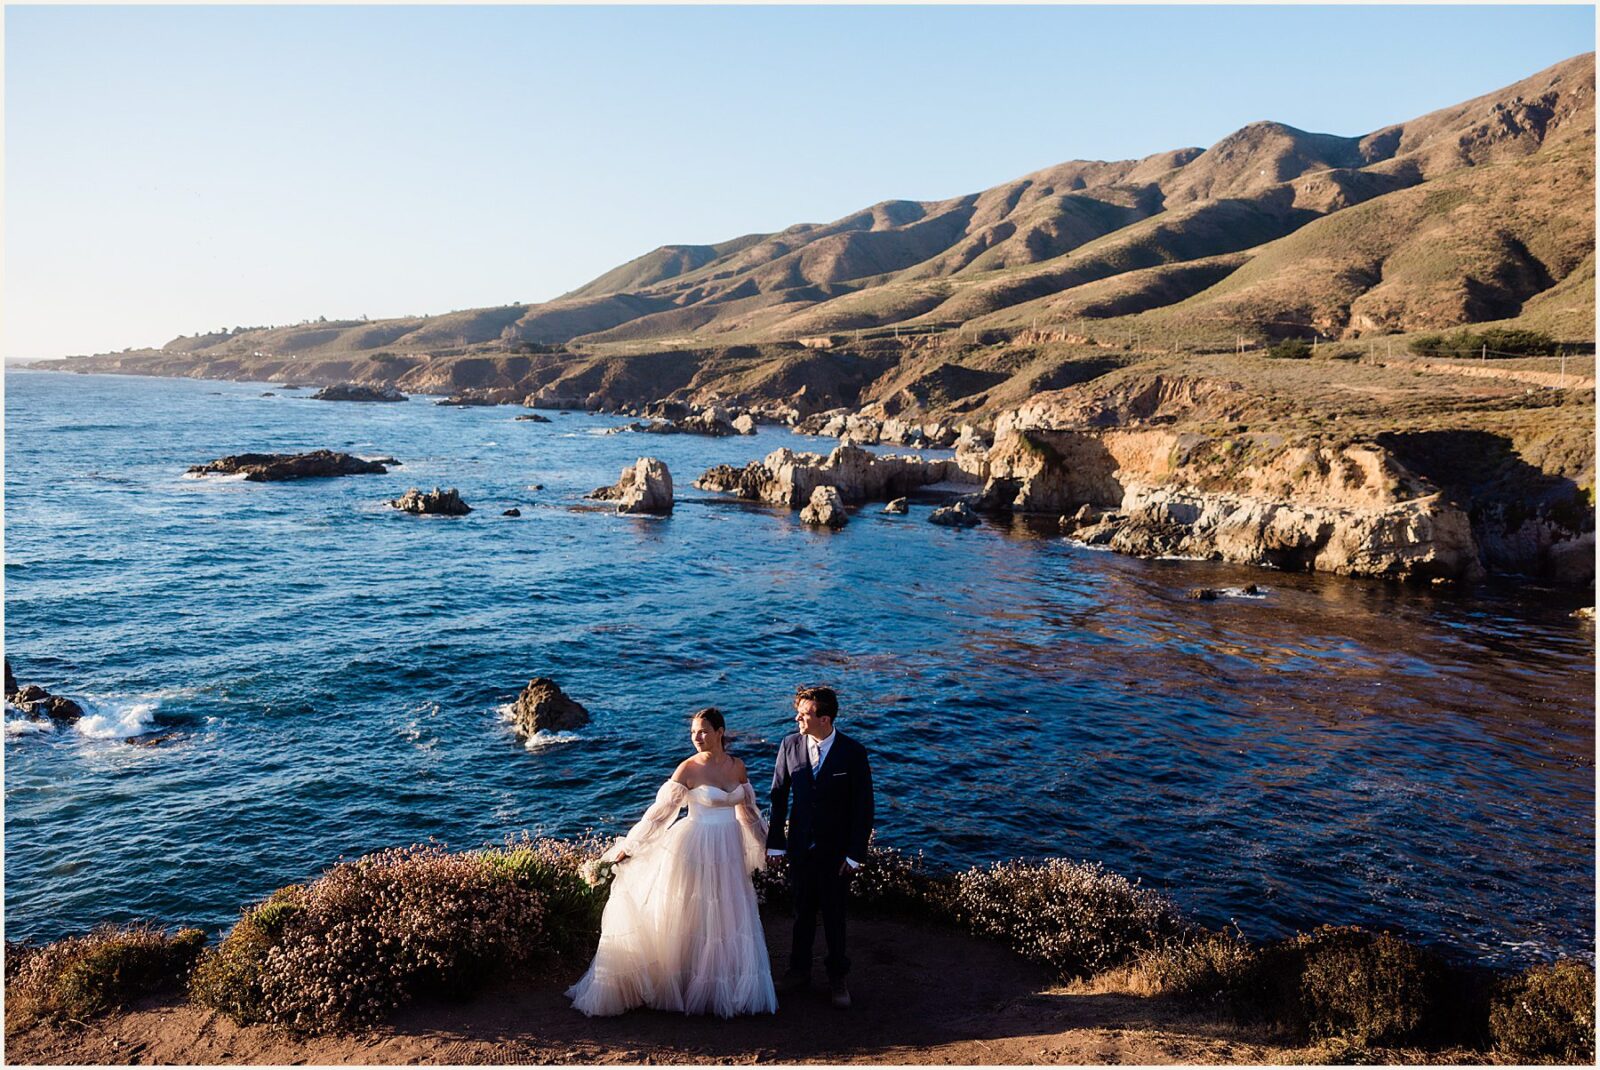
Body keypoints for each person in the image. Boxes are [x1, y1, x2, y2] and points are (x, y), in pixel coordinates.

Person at [566, 708, 777, 1018]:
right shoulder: (688, 769)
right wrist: (628, 848)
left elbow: (748, 813)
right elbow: (659, 815)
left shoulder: (738, 767)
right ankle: (685, 983)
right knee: (694, 915)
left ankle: (725, 987)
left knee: (726, 916)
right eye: (693, 732)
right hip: (697, 848)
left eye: (703, 731)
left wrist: (769, 846)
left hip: (729, 851)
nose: (697, 737)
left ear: (721, 732)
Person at [767, 684, 874, 1009]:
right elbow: (778, 796)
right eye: (798, 711)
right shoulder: (789, 745)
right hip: (800, 848)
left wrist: (856, 854)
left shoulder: (852, 753)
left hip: (836, 853)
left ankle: (837, 978)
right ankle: (798, 972)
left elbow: (863, 807)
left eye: (805, 713)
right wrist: (776, 844)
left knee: (834, 916)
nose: (798, 717)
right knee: (801, 913)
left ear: (825, 719)